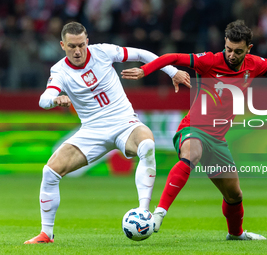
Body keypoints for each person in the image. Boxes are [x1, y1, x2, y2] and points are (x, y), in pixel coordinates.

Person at [121, 20, 267, 240]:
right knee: (192, 153)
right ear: (224, 44)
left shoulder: (254, 64)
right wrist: (146, 70)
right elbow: (172, 57)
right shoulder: (210, 61)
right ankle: (158, 215)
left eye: (237, 51)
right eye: (228, 49)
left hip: (218, 140)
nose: (231, 55)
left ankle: (236, 234)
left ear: (248, 49)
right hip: (193, 128)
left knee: (234, 195)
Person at [24, 21, 190, 244]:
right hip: (92, 131)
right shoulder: (59, 71)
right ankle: (46, 233)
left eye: (81, 45)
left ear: (87, 42)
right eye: (72, 46)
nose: (77, 51)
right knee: (49, 172)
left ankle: (143, 211)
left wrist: (172, 71)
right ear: (62, 45)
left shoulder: (103, 52)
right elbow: (43, 99)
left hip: (125, 123)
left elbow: (142, 54)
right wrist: (55, 99)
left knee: (147, 144)